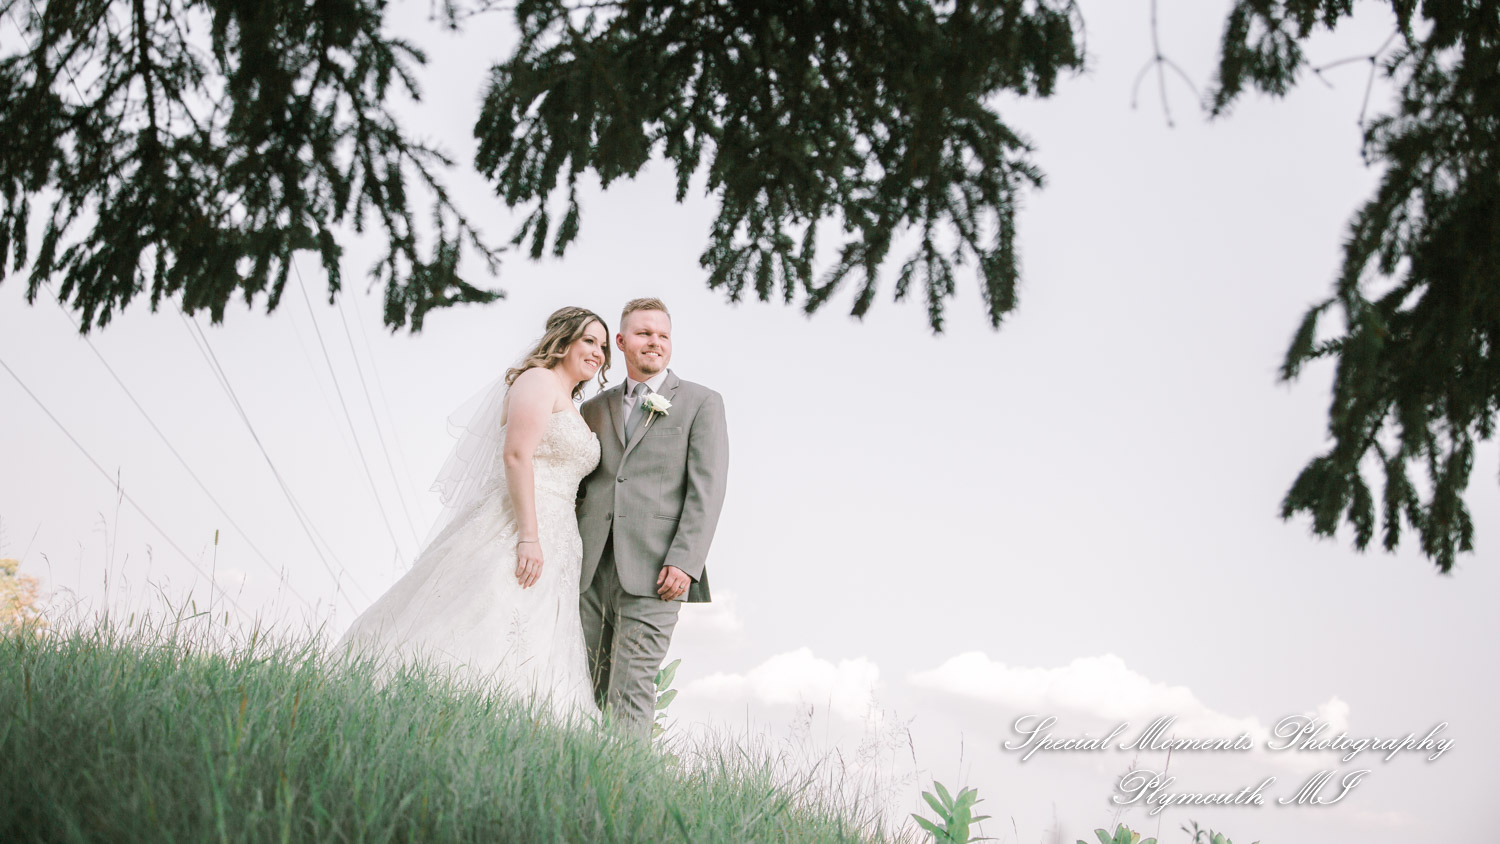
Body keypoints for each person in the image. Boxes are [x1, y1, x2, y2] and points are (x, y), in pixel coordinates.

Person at [335, 306, 609, 725]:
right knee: (489, 612)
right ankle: (438, 709)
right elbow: (517, 456)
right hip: (519, 525)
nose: (598, 353)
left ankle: (515, 722)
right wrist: (529, 536)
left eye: (604, 346)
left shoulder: (569, 403)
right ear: (563, 339)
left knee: (534, 633)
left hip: (560, 536)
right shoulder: (538, 381)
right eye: (589, 340)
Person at [577, 298, 730, 737]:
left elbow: (708, 488)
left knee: (632, 687)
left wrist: (686, 560)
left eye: (663, 335)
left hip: (658, 570)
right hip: (589, 567)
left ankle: (624, 790)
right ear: (621, 342)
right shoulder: (593, 408)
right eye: (644, 334)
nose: (655, 343)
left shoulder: (701, 403)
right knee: (581, 681)